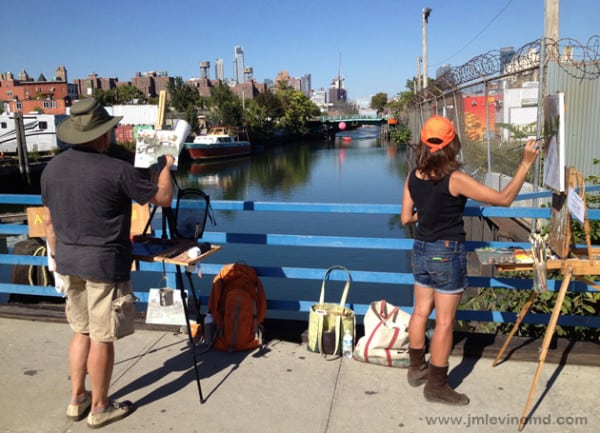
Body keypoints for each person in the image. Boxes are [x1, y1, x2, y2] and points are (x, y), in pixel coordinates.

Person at [41, 98, 175, 428]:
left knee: (80, 330)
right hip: (104, 264)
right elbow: (163, 198)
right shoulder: (116, 170)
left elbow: (48, 222)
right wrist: (166, 167)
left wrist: (55, 256)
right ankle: (100, 407)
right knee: (102, 337)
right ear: (101, 136)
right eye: (110, 131)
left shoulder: (51, 169)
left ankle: (77, 398)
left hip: (68, 260)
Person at [400, 115, 539, 405]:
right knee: (445, 322)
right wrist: (525, 163)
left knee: (421, 311)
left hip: (421, 249)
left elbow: (405, 218)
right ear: (452, 145)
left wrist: (427, 213)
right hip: (446, 252)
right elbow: (503, 199)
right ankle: (436, 386)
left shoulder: (413, 175)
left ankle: (416, 370)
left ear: (423, 144)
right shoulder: (456, 179)